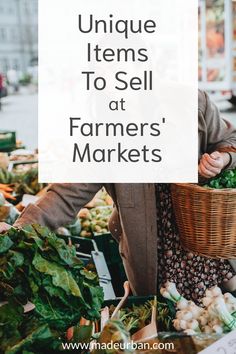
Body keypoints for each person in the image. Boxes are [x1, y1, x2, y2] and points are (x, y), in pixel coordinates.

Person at [1, 90, 236, 301]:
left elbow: (230, 140)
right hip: (153, 257)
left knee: (222, 321)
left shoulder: (194, 103)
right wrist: (19, 232)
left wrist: (222, 160)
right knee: (168, 332)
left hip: (207, 246)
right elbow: (65, 195)